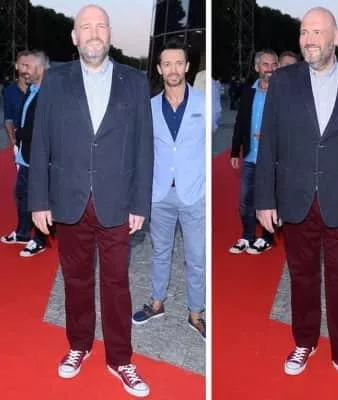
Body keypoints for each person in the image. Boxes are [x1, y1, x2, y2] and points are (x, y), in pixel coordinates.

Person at [28, 5, 153, 398]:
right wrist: (38, 200)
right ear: (74, 36)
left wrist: (141, 203)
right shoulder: (55, 80)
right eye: (86, 27)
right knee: (76, 281)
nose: (94, 33)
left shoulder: (135, 81)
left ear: (110, 33)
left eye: (100, 26)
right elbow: (41, 142)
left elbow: (144, 147)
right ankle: (79, 346)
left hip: (117, 203)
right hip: (69, 201)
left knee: (116, 284)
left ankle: (120, 360)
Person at [255, 7, 338, 393]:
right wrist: (264, 199)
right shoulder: (284, 81)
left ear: (335, 37)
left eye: (317, 32)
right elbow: (270, 142)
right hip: (295, 201)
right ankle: (304, 342)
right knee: (302, 278)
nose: (308, 40)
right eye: (304, 32)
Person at [132, 39, 206, 341]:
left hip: (194, 194)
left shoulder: (204, 103)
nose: (173, 69)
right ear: (160, 69)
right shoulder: (149, 107)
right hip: (159, 194)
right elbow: (143, 152)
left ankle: (196, 313)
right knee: (160, 252)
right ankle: (157, 303)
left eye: (178, 63)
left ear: (186, 67)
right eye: (167, 64)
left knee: (196, 257)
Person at [229, 49, 279, 254]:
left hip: (272, 158)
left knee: (268, 200)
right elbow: (240, 122)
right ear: (257, 67)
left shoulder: (281, 94)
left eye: (274, 64)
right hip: (250, 156)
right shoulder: (248, 92)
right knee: (245, 201)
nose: (270, 69)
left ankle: (266, 238)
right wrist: (235, 151)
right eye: (266, 64)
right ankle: (247, 236)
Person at [0, 50, 49, 257]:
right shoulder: (31, 89)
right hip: (25, 153)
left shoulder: (50, 93)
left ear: (41, 67)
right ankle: (22, 233)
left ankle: (39, 240)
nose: (22, 71)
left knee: (38, 198)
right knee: (21, 194)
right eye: (20, 66)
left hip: (39, 156)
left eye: (26, 66)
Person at [2, 51, 31, 146]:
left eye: (29, 65)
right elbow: (8, 119)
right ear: (16, 66)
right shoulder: (9, 91)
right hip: (20, 142)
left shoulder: (40, 89)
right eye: (23, 65)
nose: (27, 68)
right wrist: (13, 141)